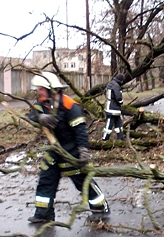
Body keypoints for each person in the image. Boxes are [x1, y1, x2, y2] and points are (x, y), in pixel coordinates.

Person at [27, 71, 110, 223]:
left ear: (52, 89)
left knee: (84, 182)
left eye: (41, 89)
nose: (38, 92)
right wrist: (40, 117)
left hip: (71, 153)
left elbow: (80, 132)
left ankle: (100, 209)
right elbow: (30, 114)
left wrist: (83, 151)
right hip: (53, 152)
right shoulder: (43, 104)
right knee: (46, 181)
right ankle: (43, 214)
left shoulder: (70, 106)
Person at [102, 73, 125, 141]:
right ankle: (105, 138)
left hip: (109, 106)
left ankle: (120, 137)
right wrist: (121, 103)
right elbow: (118, 97)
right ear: (120, 80)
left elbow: (104, 92)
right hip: (114, 108)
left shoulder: (110, 83)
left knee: (117, 122)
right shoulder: (116, 86)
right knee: (111, 123)